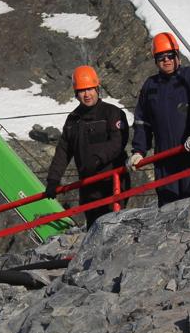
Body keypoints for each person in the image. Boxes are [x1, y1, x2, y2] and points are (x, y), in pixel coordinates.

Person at [128, 32, 190, 207]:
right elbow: (142, 121)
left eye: (170, 56)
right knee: (168, 207)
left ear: (178, 56)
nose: (166, 60)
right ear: (155, 60)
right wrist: (139, 151)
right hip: (164, 159)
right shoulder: (150, 86)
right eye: (161, 57)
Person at [43, 65, 131, 227]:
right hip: (88, 188)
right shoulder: (73, 120)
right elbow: (63, 151)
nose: (87, 94)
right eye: (82, 90)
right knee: (93, 229)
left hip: (112, 183)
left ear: (97, 88)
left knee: (114, 228)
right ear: (76, 94)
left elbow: (118, 142)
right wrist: (53, 180)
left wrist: (97, 159)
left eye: (90, 89)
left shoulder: (112, 113)